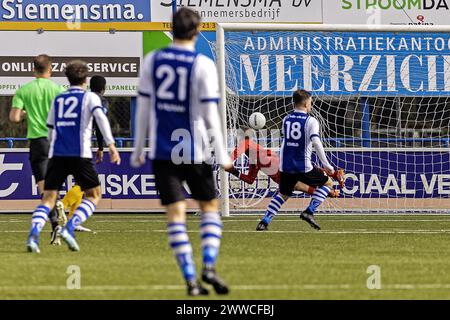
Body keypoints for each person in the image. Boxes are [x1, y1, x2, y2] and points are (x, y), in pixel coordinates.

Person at [131, 8, 232, 296]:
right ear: (197, 31)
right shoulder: (202, 64)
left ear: (171, 29)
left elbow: (144, 110)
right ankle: (209, 266)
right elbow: (211, 113)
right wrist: (222, 153)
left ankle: (190, 280)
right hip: (195, 149)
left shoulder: (152, 60)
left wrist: (139, 149)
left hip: (163, 153)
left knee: (176, 216)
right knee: (209, 208)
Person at [26, 60, 121, 253]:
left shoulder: (58, 99)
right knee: (94, 195)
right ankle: (70, 227)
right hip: (80, 155)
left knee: (48, 199)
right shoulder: (90, 98)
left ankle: (33, 235)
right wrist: (110, 145)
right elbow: (101, 119)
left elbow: (50, 129)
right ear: (86, 79)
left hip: (57, 155)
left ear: (67, 78)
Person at [256, 89, 345, 231]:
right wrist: (326, 165)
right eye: (310, 102)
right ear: (305, 103)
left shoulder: (286, 119)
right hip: (303, 165)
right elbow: (316, 142)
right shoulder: (311, 121)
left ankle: (264, 221)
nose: (311, 105)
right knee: (328, 182)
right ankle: (309, 211)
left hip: (285, 165)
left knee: (283, 194)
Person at [10, 54, 65, 245]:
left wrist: (27, 112)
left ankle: (55, 223)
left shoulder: (24, 90)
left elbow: (15, 118)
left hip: (38, 144)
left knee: (44, 190)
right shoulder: (58, 89)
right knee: (54, 187)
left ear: (33, 69)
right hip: (57, 143)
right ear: (51, 69)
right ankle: (58, 214)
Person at [226, 136, 341, 198]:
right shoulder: (253, 161)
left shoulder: (248, 144)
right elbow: (250, 180)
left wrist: (229, 160)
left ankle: (332, 178)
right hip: (281, 176)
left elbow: (244, 144)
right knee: (303, 184)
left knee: (305, 180)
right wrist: (234, 171)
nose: (237, 147)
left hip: (283, 168)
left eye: (236, 145)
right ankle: (328, 190)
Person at [90, 75, 109, 164]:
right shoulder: (102, 101)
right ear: (103, 88)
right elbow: (99, 123)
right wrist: (101, 147)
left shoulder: (83, 98)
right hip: (85, 144)